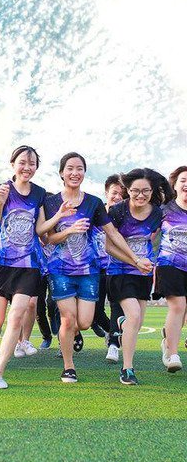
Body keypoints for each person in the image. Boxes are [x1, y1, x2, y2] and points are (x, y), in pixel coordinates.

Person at [41, 153, 152, 384]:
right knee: (68, 319)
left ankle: (75, 332)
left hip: (88, 270)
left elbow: (113, 233)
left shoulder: (93, 203)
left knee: (84, 322)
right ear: (61, 173)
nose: (75, 173)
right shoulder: (51, 203)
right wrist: (69, 230)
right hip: (60, 270)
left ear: (84, 172)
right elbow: (49, 238)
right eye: (70, 168)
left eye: (79, 168)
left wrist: (135, 259)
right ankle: (69, 367)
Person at [0, 145, 57, 389]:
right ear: (13, 164)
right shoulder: (3, 189)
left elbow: (40, 228)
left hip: (28, 264)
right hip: (1, 262)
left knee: (17, 314)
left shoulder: (40, 193)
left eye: (32, 164)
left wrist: (59, 216)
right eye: (22, 162)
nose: (27, 168)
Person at [106, 168, 172, 384]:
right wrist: (135, 260)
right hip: (119, 271)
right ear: (127, 189)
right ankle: (127, 369)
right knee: (134, 316)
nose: (140, 195)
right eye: (135, 190)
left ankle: (123, 324)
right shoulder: (117, 211)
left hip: (143, 273)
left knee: (136, 322)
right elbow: (109, 246)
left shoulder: (157, 213)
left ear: (152, 191)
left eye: (146, 191)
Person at [154, 166, 187, 373]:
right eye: (183, 180)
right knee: (178, 305)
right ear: (174, 185)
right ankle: (173, 354)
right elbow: (148, 233)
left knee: (183, 310)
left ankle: (167, 340)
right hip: (169, 263)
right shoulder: (164, 209)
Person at [90, 174, 126, 363]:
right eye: (114, 193)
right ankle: (110, 331)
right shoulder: (94, 213)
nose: (118, 197)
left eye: (122, 194)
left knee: (116, 306)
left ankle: (113, 344)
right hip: (95, 270)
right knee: (94, 312)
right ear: (106, 192)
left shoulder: (125, 217)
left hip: (118, 268)